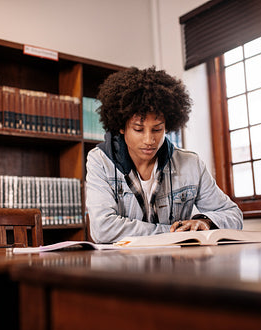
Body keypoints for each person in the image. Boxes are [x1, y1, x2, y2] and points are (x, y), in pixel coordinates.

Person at [86, 66, 242, 244]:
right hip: (123, 267)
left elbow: (233, 215)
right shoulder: (99, 161)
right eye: (138, 129)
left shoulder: (191, 164)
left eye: (157, 129)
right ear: (121, 127)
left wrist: (204, 221)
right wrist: (175, 233)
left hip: (176, 267)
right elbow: (103, 230)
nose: (149, 139)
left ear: (167, 126)